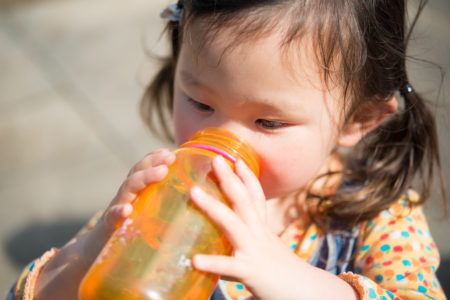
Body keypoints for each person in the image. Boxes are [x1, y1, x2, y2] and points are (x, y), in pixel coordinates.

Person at [9, 0, 447, 299]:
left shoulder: (380, 218)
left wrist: (281, 272)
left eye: (269, 122)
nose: (222, 139)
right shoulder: (159, 200)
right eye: (201, 103)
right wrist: (93, 250)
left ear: (359, 120)